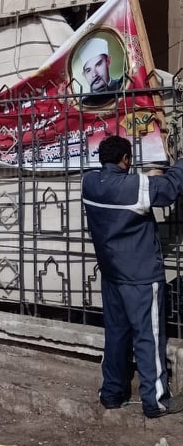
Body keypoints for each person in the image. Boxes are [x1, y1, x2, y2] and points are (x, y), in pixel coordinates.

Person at [82, 135, 183, 418]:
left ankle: (112, 393)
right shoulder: (135, 186)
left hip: (112, 275)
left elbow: (131, 187)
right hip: (140, 276)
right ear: (126, 159)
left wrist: (144, 178)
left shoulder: (89, 182)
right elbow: (170, 188)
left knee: (116, 334)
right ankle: (156, 401)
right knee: (148, 337)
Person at [78, 36, 125, 105]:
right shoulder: (84, 103)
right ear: (84, 75)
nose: (94, 74)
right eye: (88, 70)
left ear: (108, 61)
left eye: (98, 64)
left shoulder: (123, 85)